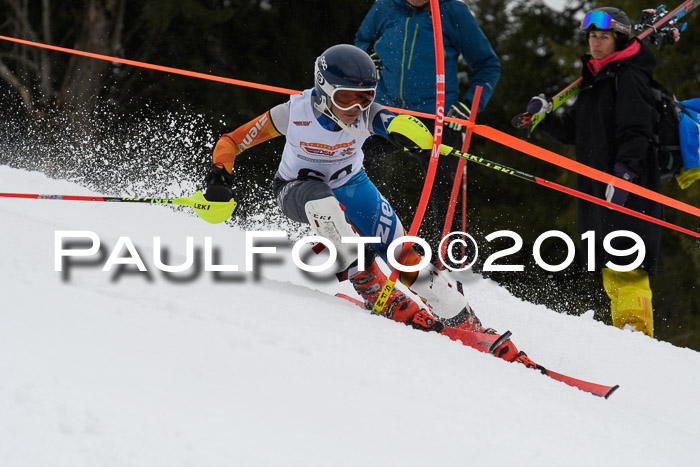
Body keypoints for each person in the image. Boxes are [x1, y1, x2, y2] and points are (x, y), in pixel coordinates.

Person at [203, 44, 531, 363]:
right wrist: (219, 175)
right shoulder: (294, 112)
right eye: (345, 98)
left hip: (351, 184)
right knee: (322, 202)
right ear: (323, 89)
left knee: (405, 255)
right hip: (296, 189)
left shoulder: (367, 114)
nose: (355, 109)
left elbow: (392, 122)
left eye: (365, 98)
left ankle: (466, 323)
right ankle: (373, 288)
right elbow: (231, 140)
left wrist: (413, 137)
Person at [515, 7, 661, 338]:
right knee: (613, 267)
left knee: (627, 264)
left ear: (619, 38)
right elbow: (574, 133)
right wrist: (544, 118)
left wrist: (624, 175)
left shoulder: (629, 78)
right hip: (598, 190)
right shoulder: (596, 80)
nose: (596, 43)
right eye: (592, 36)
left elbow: (638, 133)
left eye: (603, 37)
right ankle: (628, 335)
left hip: (629, 188)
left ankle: (638, 341)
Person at [355, 0, 501, 248]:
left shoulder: (452, 11)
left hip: (435, 117)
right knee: (349, 161)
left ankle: (452, 259)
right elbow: (361, 41)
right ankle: (347, 233)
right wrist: (368, 57)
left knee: (445, 189)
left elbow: (488, 65)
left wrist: (468, 106)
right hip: (386, 114)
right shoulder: (385, 6)